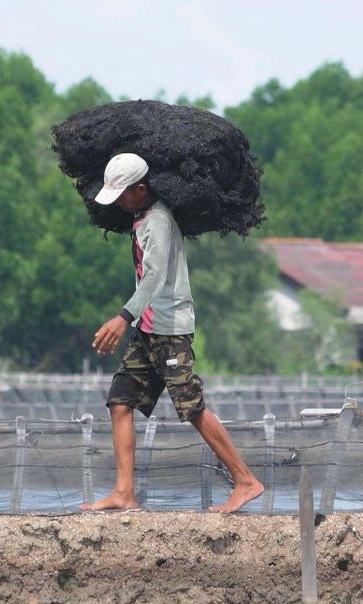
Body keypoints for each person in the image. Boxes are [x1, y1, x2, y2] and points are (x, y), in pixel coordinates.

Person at [80, 153, 265, 513]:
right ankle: (124, 493)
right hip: (148, 329)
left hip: (170, 330)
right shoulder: (141, 216)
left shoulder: (159, 221)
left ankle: (246, 480)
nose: (118, 201)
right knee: (120, 401)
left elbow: (154, 277)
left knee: (191, 406)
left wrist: (122, 317)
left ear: (141, 189)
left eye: (122, 194)